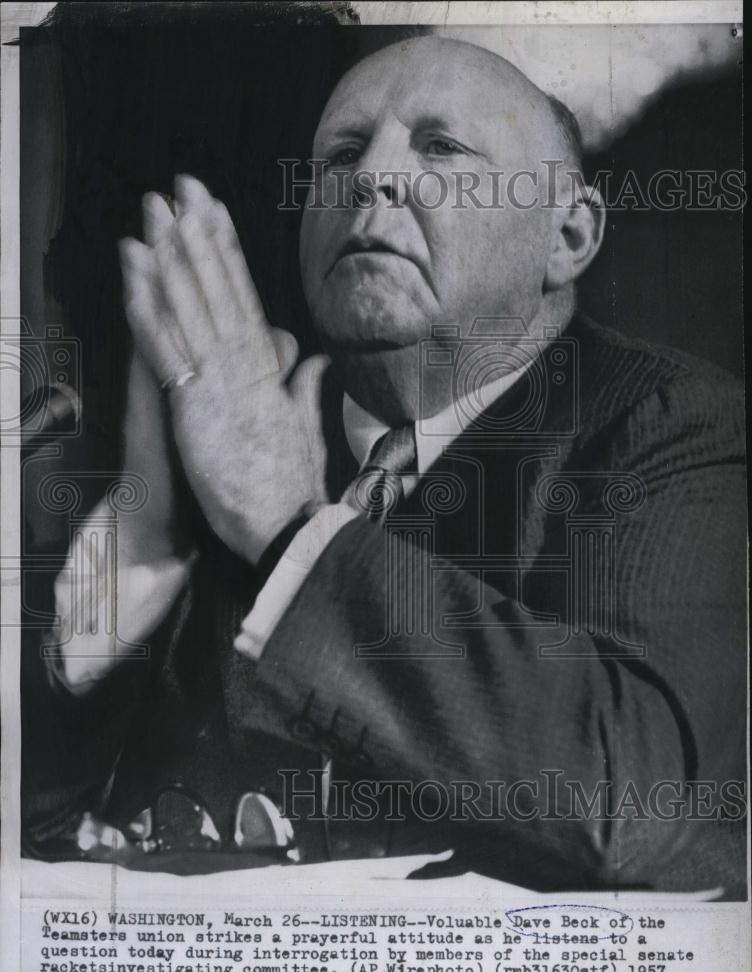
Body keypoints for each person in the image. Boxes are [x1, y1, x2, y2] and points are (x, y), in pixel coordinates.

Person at [23, 37, 746, 893]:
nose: (372, 179)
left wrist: (289, 529)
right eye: (341, 155)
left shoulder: (673, 424)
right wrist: (134, 566)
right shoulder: (205, 436)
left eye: (439, 148)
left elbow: (639, 802)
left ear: (570, 232)